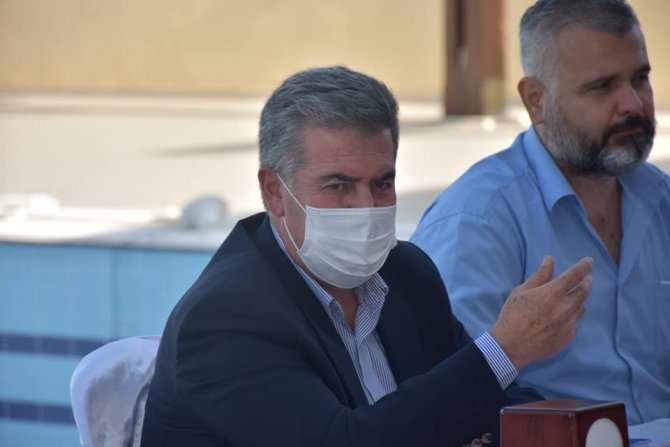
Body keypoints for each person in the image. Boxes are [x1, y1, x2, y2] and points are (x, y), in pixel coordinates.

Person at [141, 66, 593, 447]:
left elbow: (482, 406)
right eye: (338, 186)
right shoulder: (224, 319)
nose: (366, 207)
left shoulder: (407, 273)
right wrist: (504, 349)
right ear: (274, 191)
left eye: (382, 183)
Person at [411, 0, 669, 426]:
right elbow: (446, 400)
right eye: (602, 87)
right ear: (536, 101)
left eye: (640, 78)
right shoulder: (477, 221)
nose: (633, 103)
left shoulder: (659, 199)